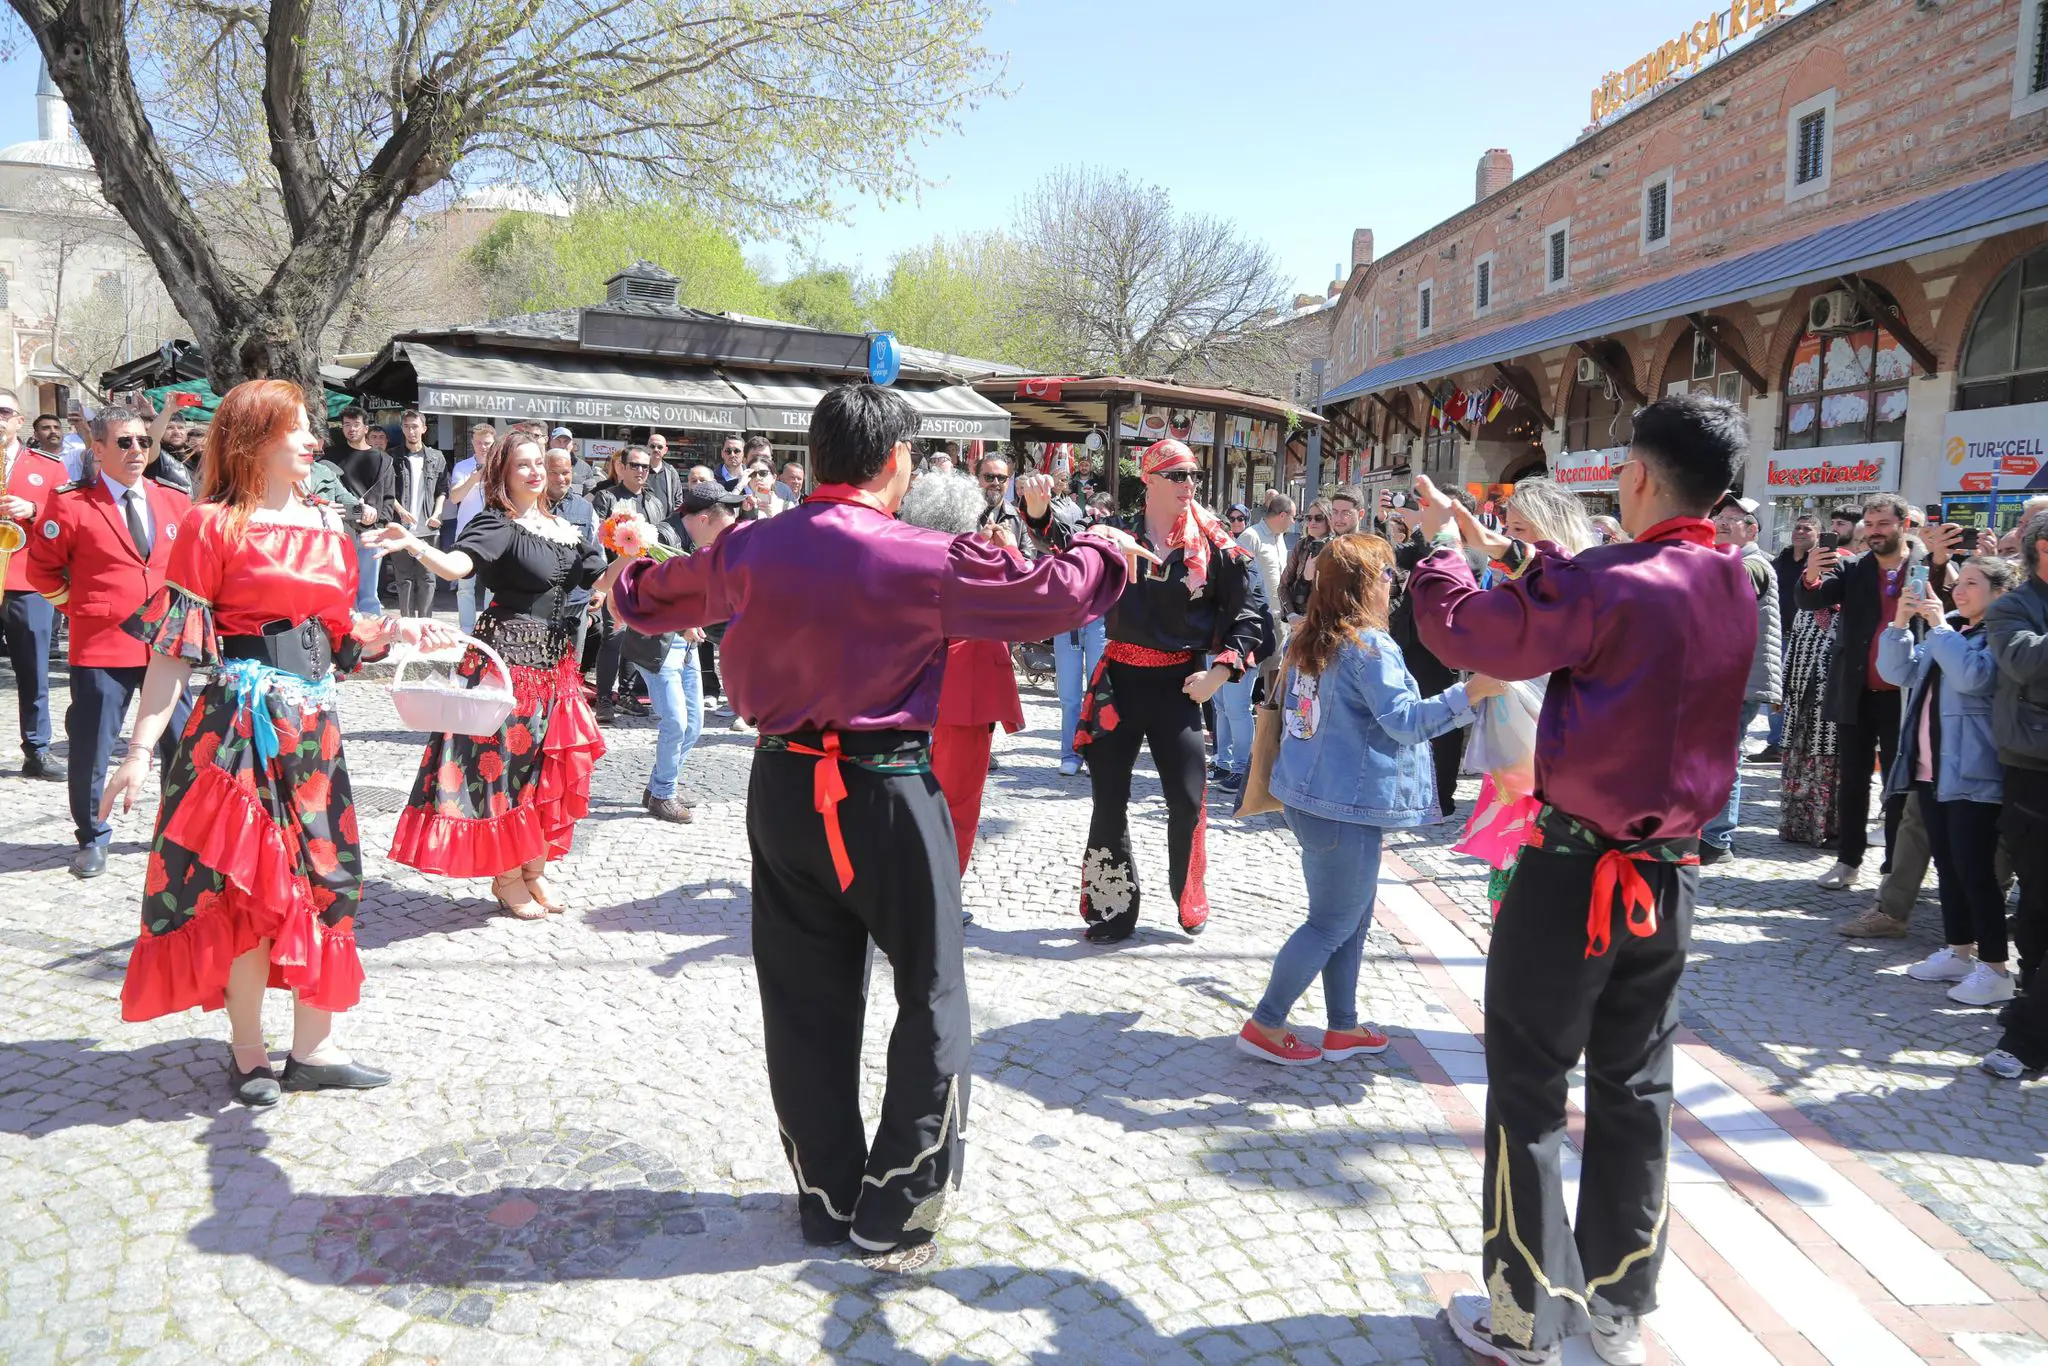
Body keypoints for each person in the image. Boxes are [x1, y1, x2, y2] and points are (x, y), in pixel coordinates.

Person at [608, 382, 1139, 1268]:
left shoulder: (749, 547)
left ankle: (826, 1193)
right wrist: (1102, 550)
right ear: (895, 463)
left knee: (802, 998)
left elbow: (647, 598)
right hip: (884, 787)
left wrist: (625, 566)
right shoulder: (925, 556)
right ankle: (895, 1204)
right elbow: (1056, 598)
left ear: (816, 459)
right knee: (931, 989)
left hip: (781, 789)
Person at [1406, 393, 1755, 1366]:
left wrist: (1440, 550)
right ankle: (1614, 1307)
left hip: (1571, 868)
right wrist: (1518, 554)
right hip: (1668, 877)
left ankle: (1522, 1313)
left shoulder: (1614, 579)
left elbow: (1471, 633)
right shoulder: (1735, 585)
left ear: (1636, 475)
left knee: (1527, 1085)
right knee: (1636, 1087)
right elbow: (1593, 603)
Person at [104, 378, 458, 1107]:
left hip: (314, 731)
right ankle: (248, 1052)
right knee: (248, 888)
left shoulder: (328, 523)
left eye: (310, 429)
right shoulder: (212, 525)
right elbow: (172, 650)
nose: (312, 441)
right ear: (252, 439)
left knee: (325, 879)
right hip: (239, 727)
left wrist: (399, 632)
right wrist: (139, 751)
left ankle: (315, 1050)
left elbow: (342, 633)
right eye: (296, 429)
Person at [1238, 531, 1492, 1066]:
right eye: (1384, 573)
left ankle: (1343, 1026)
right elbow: (1404, 722)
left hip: (1313, 797)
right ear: (1361, 584)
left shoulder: (1310, 635)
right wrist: (1471, 692)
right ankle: (1265, 1022)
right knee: (1331, 922)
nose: (1391, 582)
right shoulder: (1368, 646)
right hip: (1340, 805)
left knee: (1349, 917)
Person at [1022, 438, 1265, 944]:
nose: (1189, 485)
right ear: (1149, 480)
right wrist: (1040, 511)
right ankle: (1112, 911)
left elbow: (1250, 611)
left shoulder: (1214, 542)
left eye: (1193, 475)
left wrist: (1220, 672)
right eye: (1177, 475)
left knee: (1187, 797)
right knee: (1108, 800)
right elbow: (1071, 543)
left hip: (1180, 686)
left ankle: (1189, 897)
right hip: (1119, 683)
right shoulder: (1116, 535)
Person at [371, 432, 607, 917]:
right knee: (505, 768)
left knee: (544, 770)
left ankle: (534, 871)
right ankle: (507, 878)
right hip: (508, 664)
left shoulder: (565, 526)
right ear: (502, 472)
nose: (535, 472)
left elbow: (594, 581)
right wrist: (415, 544)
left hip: (556, 667)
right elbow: (458, 567)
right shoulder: (497, 524)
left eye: (538, 462)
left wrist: (631, 550)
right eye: (522, 465)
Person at [24, 405, 194, 877]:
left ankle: (177, 831)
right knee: (93, 748)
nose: (136, 450)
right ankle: (93, 835)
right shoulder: (72, 503)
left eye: (142, 441)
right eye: (124, 442)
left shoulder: (174, 500)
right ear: (98, 449)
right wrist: (77, 609)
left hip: (165, 649)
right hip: (102, 646)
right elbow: (41, 568)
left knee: (182, 745)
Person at [1877, 555, 2016, 1007]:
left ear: (1999, 592)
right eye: (1960, 581)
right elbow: (1897, 672)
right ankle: (1958, 950)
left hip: (1973, 772)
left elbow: (1974, 678)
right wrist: (1900, 623)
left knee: (1976, 873)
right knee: (1949, 869)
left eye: (1973, 583)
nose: (1959, 589)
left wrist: (1936, 626)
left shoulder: (1999, 634)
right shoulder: (1951, 629)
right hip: (1930, 769)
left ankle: (1995, 968)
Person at [1796, 494, 1954, 890]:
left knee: (1898, 783)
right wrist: (1811, 573)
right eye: (1870, 523)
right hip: (1856, 690)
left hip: (1905, 691)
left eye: (1883, 523)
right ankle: (1848, 861)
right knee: (1852, 779)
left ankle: (1893, 870)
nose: (1874, 531)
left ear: (1904, 525)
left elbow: (1948, 602)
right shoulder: (1851, 567)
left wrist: (1940, 562)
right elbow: (1812, 597)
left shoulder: (1924, 565)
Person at [898, 469, 1028, 872]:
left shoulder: (901, 552)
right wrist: (1010, 551)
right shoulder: (979, 556)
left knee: (905, 796)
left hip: (906, 693)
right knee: (957, 802)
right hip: (964, 695)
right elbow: (1027, 599)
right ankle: (939, 893)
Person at [625, 481, 737, 822]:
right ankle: (662, 795)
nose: (727, 533)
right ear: (703, 519)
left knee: (694, 725)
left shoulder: (694, 538)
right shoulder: (658, 539)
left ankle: (662, 784)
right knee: (675, 722)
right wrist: (683, 621)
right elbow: (644, 594)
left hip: (684, 645)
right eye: (724, 522)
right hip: (657, 646)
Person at [1985, 514, 2048, 1078]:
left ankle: (2029, 1031)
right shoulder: (2012, 607)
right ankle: (2030, 1000)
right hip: (2034, 769)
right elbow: (2026, 662)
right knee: (2036, 901)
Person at [1701, 497, 1780, 863]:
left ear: (1753, 529)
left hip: (1739, 680)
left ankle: (1718, 839)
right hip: (1722, 677)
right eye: (1720, 517)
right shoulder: (1725, 560)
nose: (1723, 523)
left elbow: (1734, 585)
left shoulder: (1754, 562)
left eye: (1734, 519)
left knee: (1726, 758)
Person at [3, 388, 69, 779]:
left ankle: (37, 749)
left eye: (3, 412)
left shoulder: (48, 466)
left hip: (26, 579)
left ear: (18, 420)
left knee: (33, 671)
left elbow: (65, 519)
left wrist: (34, 509)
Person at [589, 446, 676, 723]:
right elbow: (597, 541)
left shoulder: (654, 501)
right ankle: (605, 698)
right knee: (613, 637)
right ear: (622, 467)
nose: (641, 471)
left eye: (646, 467)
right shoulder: (606, 498)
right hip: (615, 576)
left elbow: (662, 539)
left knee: (636, 637)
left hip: (644, 578)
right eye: (635, 465)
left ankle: (626, 694)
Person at [1758, 514, 1820, 762]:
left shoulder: (1817, 564)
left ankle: (1796, 745)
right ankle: (1776, 744)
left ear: (1817, 536)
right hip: (1777, 636)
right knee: (1775, 693)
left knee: (1800, 695)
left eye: (1807, 529)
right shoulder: (1778, 562)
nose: (1800, 532)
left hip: (1805, 639)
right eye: (1797, 528)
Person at [320, 406, 392, 614]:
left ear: (365, 428)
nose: (351, 429)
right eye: (347, 425)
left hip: (371, 532)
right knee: (343, 589)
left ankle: (372, 639)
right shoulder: (330, 458)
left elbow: (388, 496)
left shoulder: (382, 459)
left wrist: (380, 523)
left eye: (356, 424)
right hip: (341, 530)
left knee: (369, 593)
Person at [383, 409, 447, 619]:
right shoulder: (392, 456)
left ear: (424, 429)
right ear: (402, 428)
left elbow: (442, 490)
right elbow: (386, 490)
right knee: (404, 579)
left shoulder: (436, 458)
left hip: (427, 528)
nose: (411, 431)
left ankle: (426, 624)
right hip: (402, 529)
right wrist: (400, 511)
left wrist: (437, 514)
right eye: (407, 426)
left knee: (428, 577)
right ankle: (408, 625)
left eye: (415, 426)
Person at [444, 424, 494, 630]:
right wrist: (473, 479)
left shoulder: (502, 466)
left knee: (494, 585)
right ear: (473, 442)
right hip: (467, 534)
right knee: (465, 586)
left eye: (487, 444)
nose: (483, 447)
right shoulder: (463, 467)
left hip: (493, 533)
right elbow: (454, 497)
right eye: (479, 443)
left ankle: (490, 627)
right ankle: (466, 629)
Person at [1279, 501, 1331, 626]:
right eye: (1309, 518)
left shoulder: (1337, 546)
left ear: (1329, 520)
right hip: (1301, 619)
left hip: (1327, 621)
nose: (1312, 522)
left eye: (1319, 518)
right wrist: (1291, 616)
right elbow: (1283, 586)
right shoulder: (1301, 546)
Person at [645, 430, 686, 509]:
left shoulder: (671, 471)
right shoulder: (640, 470)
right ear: (647, 448)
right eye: (652, 446)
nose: (656, 449)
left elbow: (678, 499)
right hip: (644, 519)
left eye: (660, 447)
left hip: (666, 519)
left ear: (665, 450)